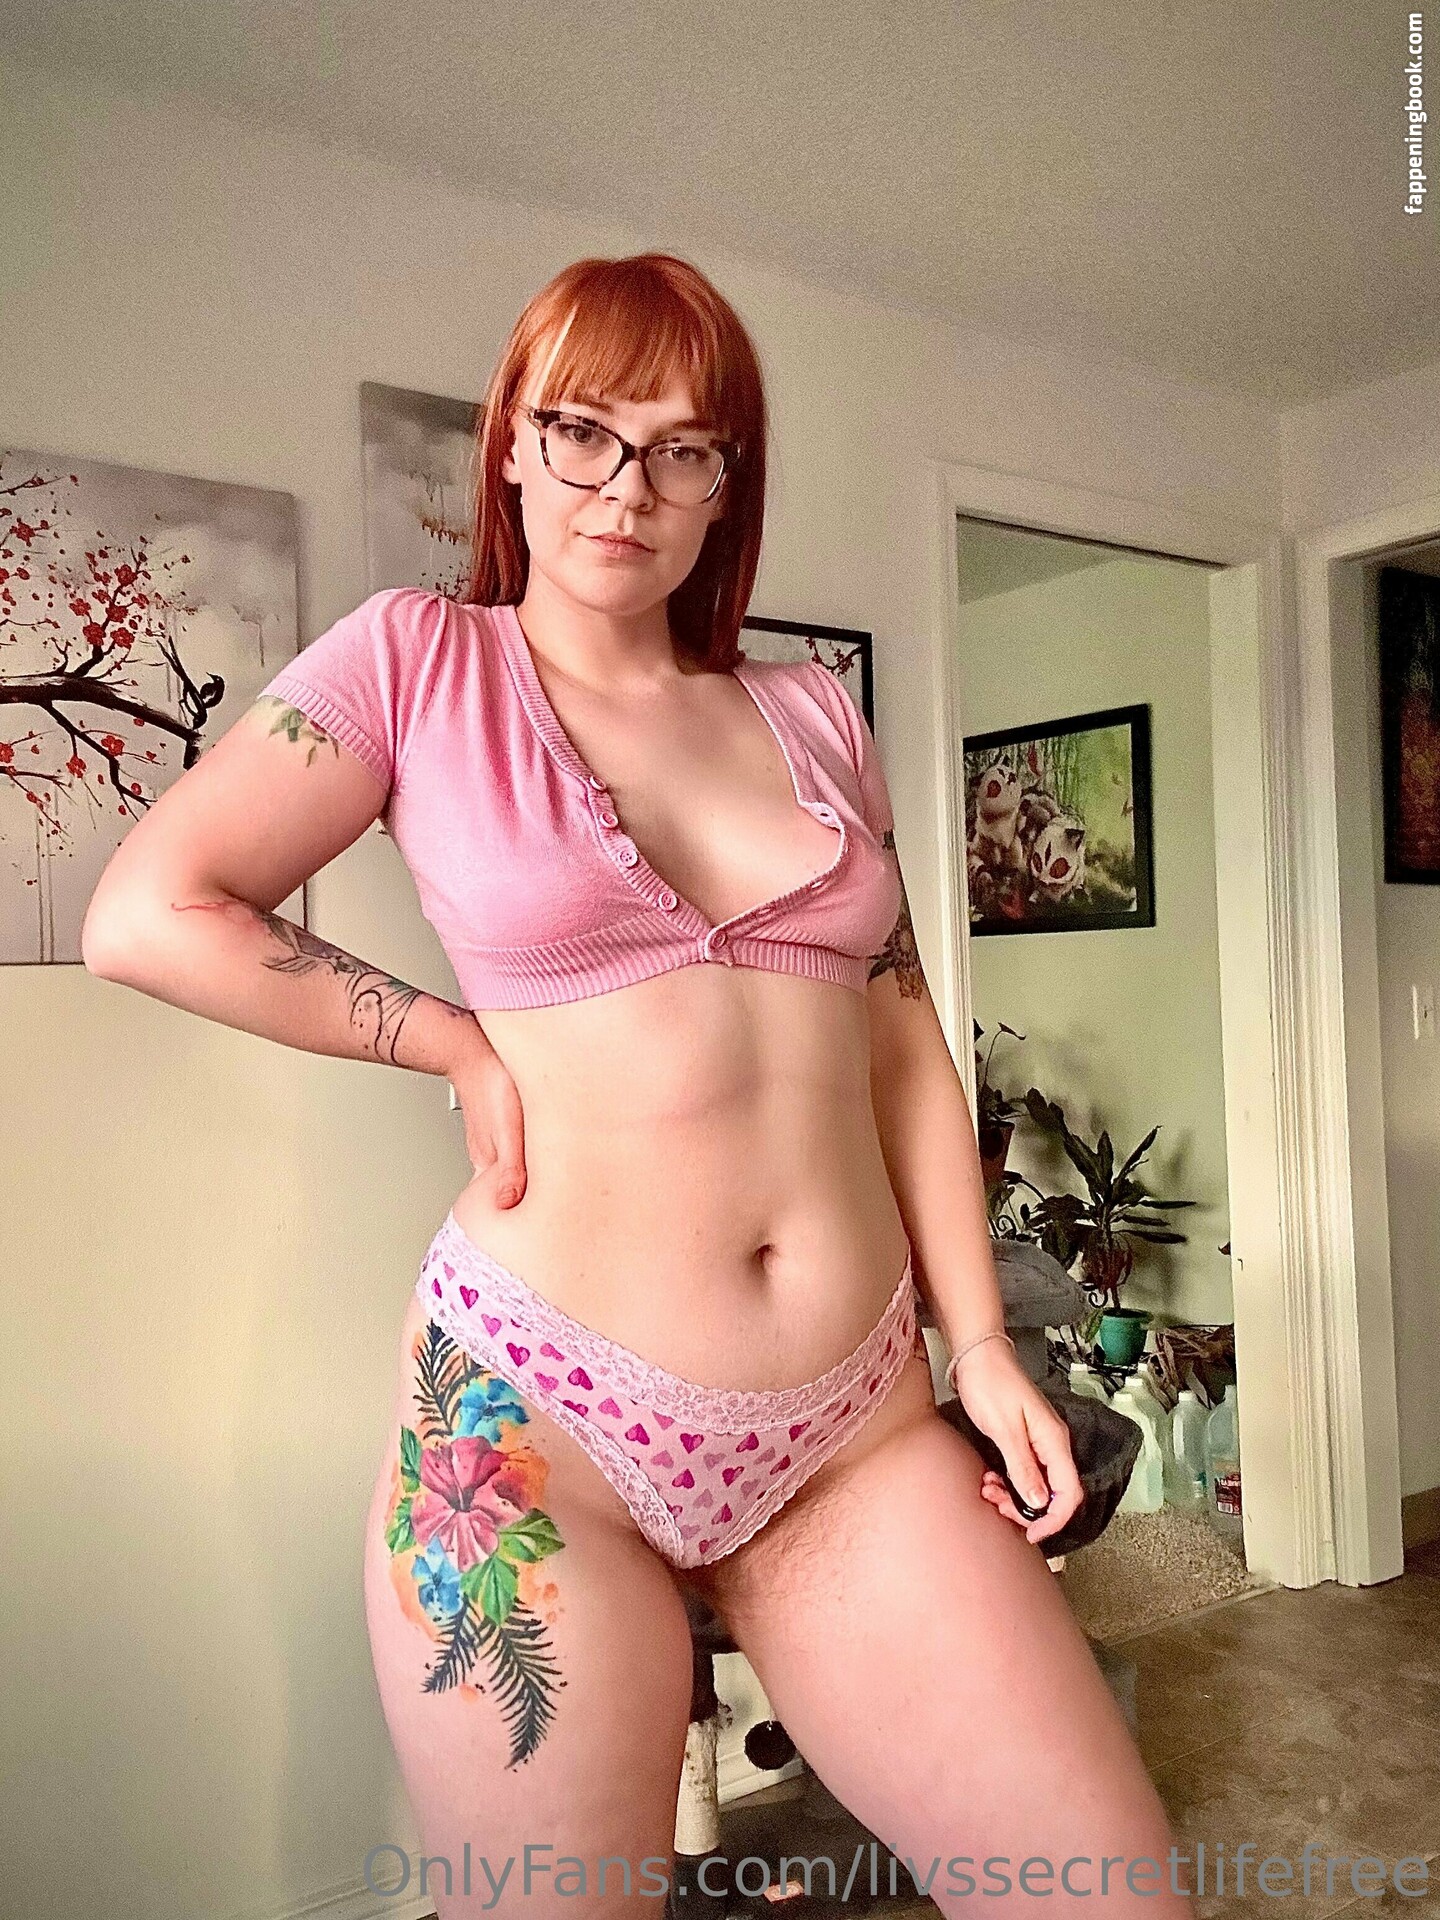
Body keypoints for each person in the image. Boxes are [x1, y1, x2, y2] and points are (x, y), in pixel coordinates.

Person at [82, 253, 1195, 1917]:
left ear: (727, 483)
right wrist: (445, 1037)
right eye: (584, 433)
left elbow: (900, 1035)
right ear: (512, 447)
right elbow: (148, 912)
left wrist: (979, 1341)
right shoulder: (416, 664)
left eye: (684, 450)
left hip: (854, 1427)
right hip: (533, 1426)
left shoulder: (815, 716)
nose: (627, 488)